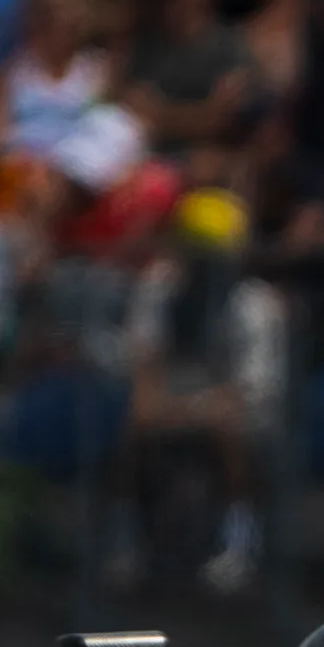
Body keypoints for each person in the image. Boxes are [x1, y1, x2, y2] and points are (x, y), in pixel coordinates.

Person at [119, 189, 283, 593]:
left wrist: (192, 410)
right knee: (128, 425)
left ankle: (237, 542)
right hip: (171, 405)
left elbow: (247, 391)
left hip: (239, 413)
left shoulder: (255, 305)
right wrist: (161, 408)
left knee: (229, 429)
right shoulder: (158, 289)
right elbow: (145, 369)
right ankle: (128, 539)